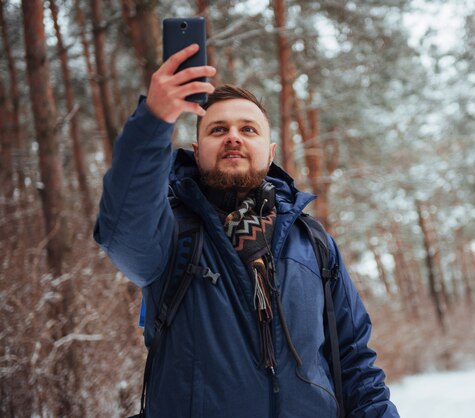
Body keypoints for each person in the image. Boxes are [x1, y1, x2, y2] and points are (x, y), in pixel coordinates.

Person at [94, 44, 399, 418]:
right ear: (197, 150)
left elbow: (355, 362)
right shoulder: (170, 233)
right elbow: (121, 230)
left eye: (248, 129)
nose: (233, 137)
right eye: (218, 129)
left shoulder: (313, 243)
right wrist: (155, 120)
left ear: (270, 153)